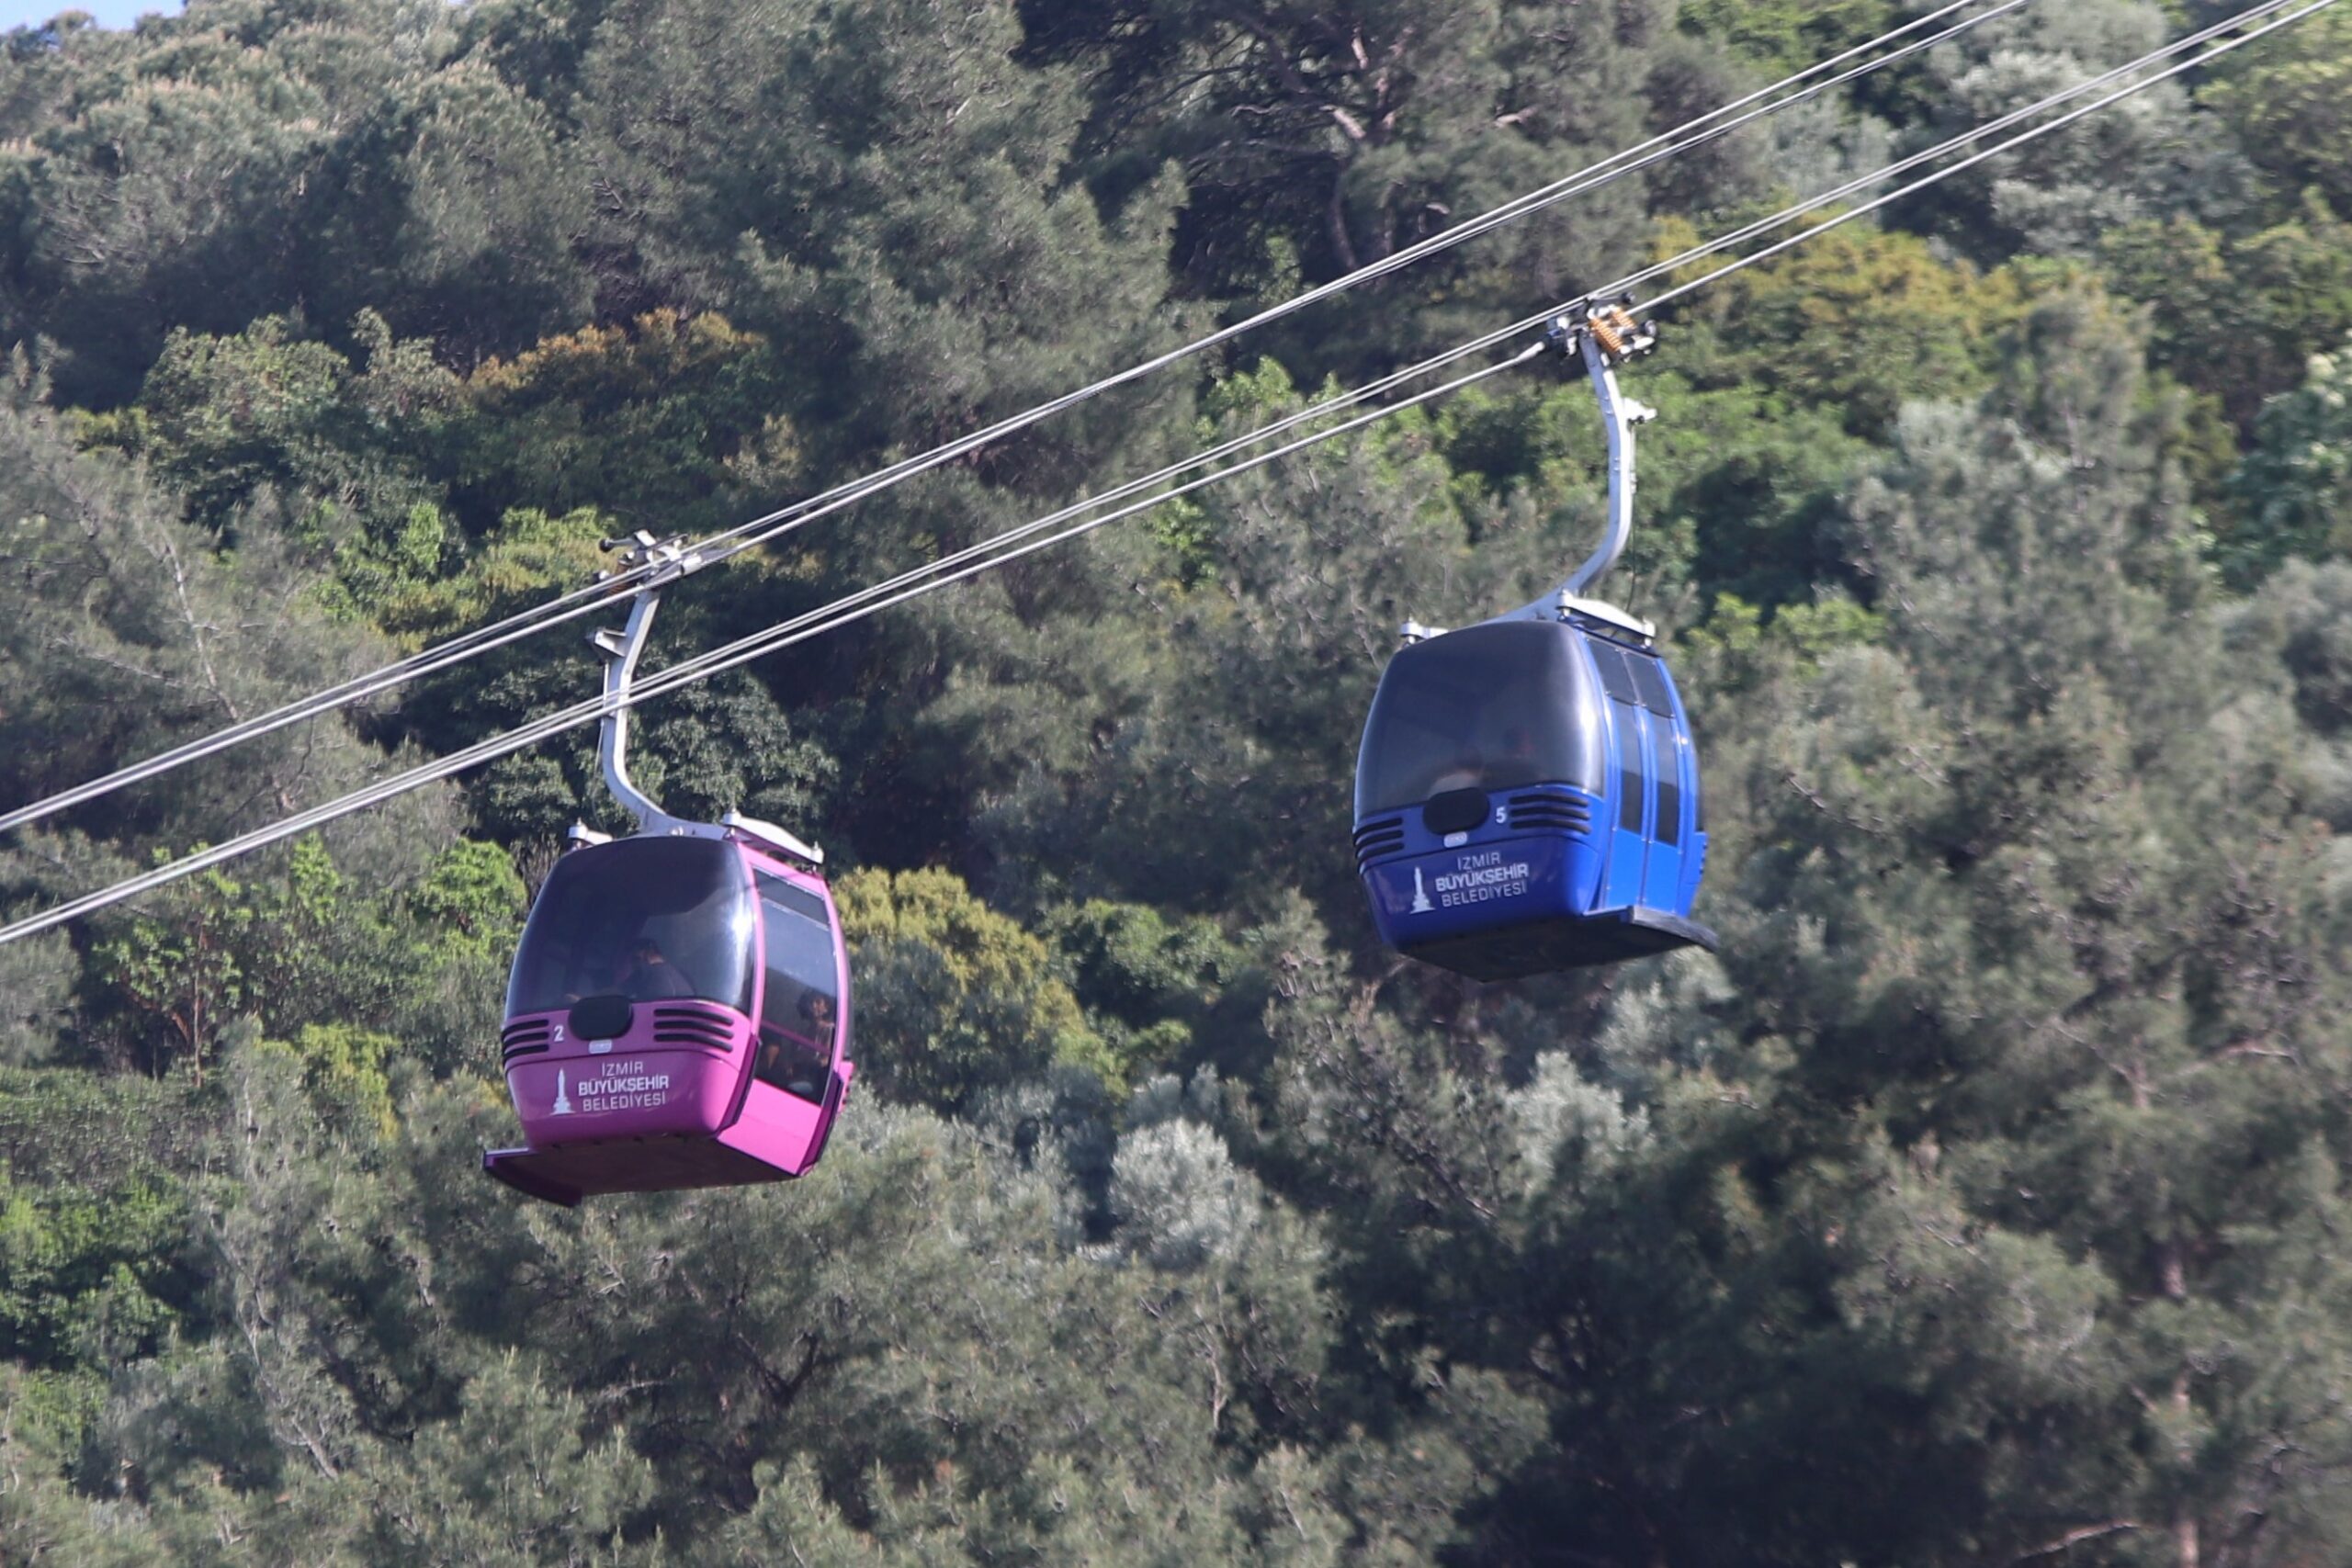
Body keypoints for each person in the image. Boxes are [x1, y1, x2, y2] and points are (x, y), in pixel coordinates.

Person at [618, 936, 695, 999]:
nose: (632, 964)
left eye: (635, 959)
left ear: (648, 954)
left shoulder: (644, 972)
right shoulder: (683, 977)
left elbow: (617, 993)